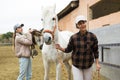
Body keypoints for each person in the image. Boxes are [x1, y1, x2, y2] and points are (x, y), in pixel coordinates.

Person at [55, 15, 101, 80]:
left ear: (85, 23)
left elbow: (96, 51)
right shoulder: (73, 37)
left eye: (83, 22)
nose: (82, 25)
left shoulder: (93, 36)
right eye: (80, 23)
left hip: (88, 65)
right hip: (76, 65)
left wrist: (97, 64)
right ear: (77, 26)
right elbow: (68, 49)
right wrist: (60, 48)